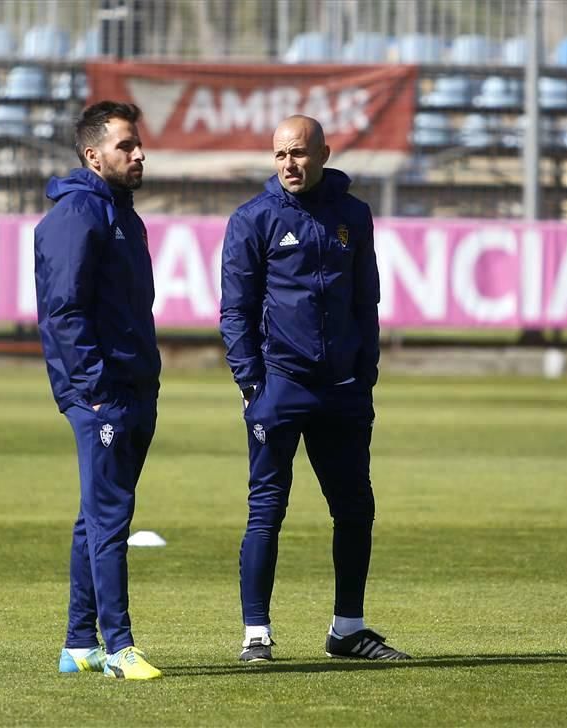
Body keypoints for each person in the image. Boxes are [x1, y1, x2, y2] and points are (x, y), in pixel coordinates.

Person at [219, 115, 411, 663]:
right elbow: (235, 311)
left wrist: (365, 374)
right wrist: (252, 382)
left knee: (355, 507)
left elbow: (365, 302)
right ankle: (256, 633)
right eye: (280, 155)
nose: (289, 165)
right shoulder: (252, 220)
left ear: (324, 152)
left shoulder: (353, 215)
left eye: (299, 153)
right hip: (279, 386)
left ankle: (347, 629)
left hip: (344, 390)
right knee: (267, 509)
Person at [34, 101, 163, 680]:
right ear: (94, 155)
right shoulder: (78, 214)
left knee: (98, 516)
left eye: (138, 144)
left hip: (134, 386)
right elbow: (64, 310)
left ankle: (79, 644)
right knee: (111, 519)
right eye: (125, 146)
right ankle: (120, 648)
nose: (138, 154)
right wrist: (93, 388)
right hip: (102, 394)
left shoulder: (122, 213)